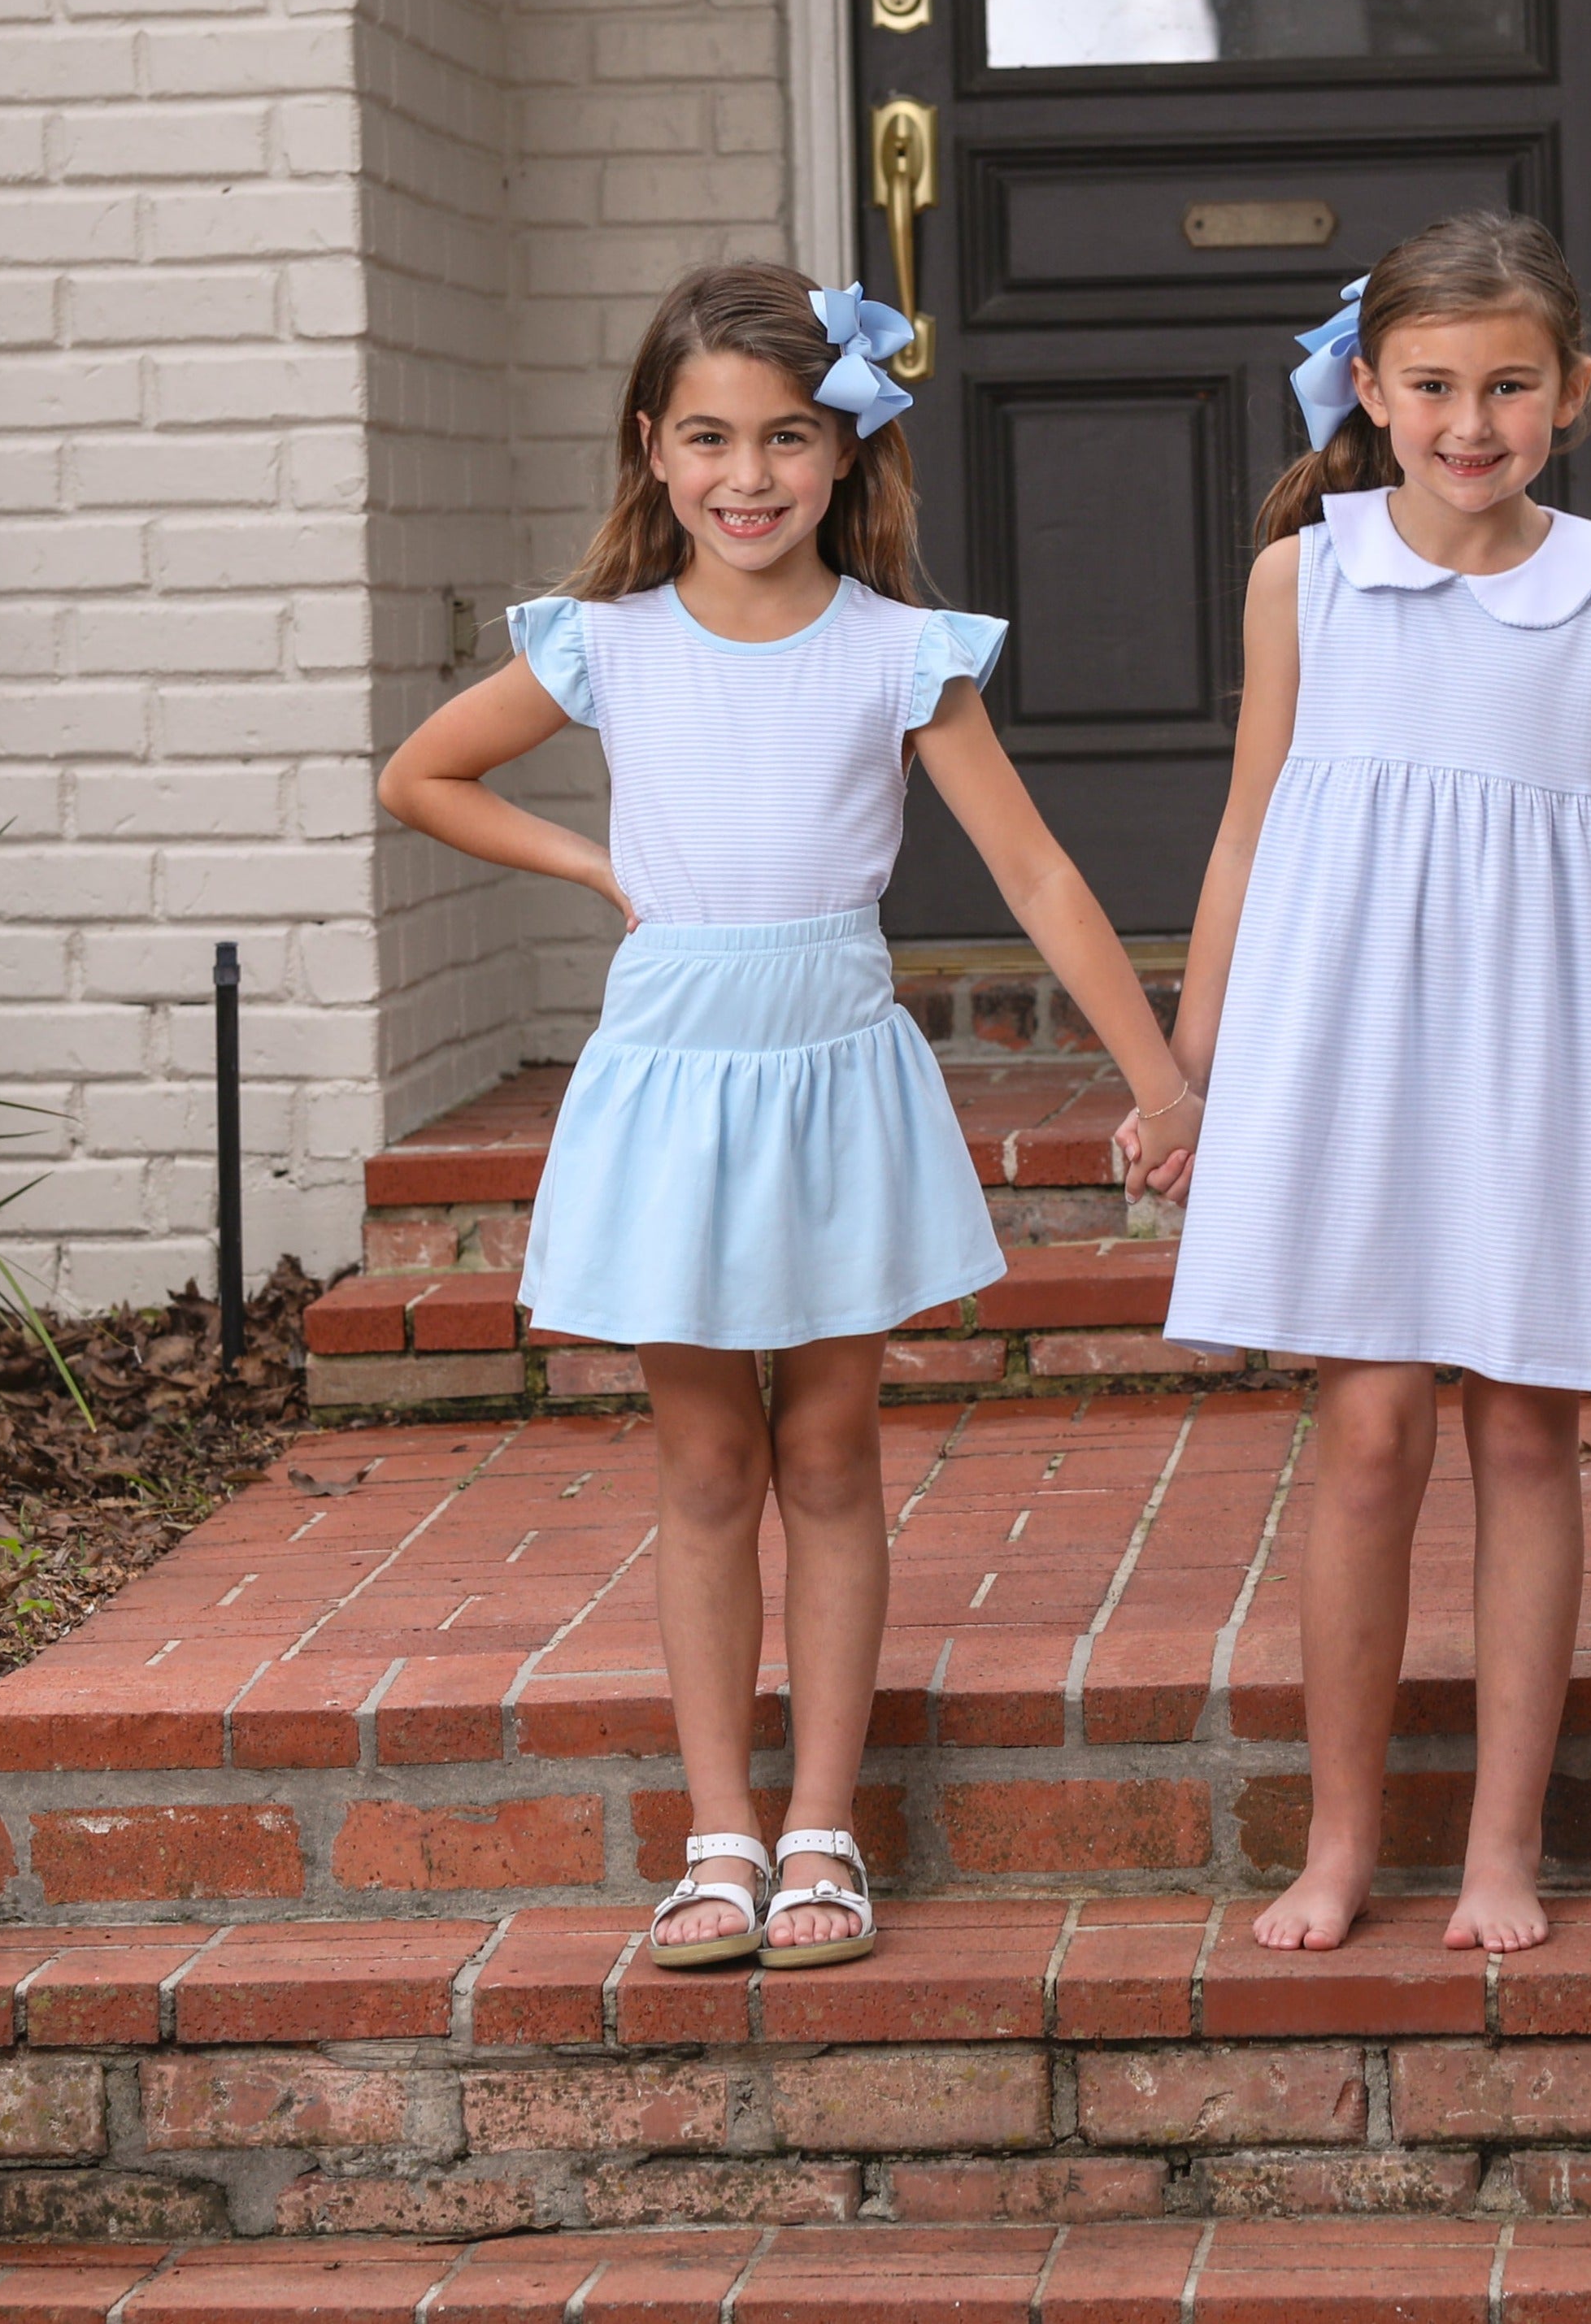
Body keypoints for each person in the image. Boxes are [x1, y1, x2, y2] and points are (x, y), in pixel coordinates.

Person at [378, 263, 1200, 1972]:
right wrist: (595, 861)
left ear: (847, 459)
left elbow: (1039, 871)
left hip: (833, 1077)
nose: (746, 475)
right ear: (651, 452)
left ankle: (824, 1829)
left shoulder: (900, 654)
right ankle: (719, 1833)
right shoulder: (603, 644)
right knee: (700, 1463)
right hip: (675, 1083)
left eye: (786, 438)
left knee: (828, 1455)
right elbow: (422, 776)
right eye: (708, 438)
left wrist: (1160, 1075)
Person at [1150, 211, 1591, 1958]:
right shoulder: (1304, 578)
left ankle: (1500, 1852)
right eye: (1432, 385)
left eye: (1509, 385)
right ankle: (1340, 1847)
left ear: (1573, 393)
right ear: (1371, 390)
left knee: (1522, 1431)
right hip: (1343, 1051)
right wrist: (1191, 1069)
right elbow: (1249, 828)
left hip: (1531, 1058)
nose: (1470, 422)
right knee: (1372, 1431)